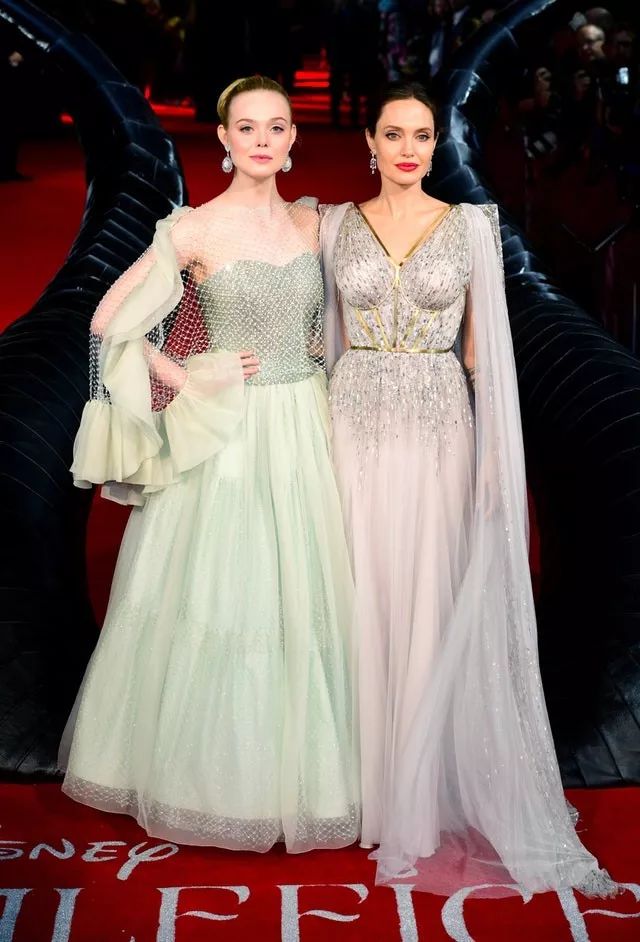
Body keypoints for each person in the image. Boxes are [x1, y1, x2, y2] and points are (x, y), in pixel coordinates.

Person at [320, 81, 616, 896]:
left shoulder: (472, 228)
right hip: (351, 421)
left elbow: (484, 358)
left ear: (434, 145)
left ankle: (412, 796)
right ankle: (352, 786)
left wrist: (493, 464)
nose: (408, 149)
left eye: (422, 135)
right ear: (369, 143)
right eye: (393, 133)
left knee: (427, 592)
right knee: (354, 590)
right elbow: (320, 337)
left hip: (439, 424)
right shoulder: (334, 225)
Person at [58, 75, 359, 852]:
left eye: (277, 127)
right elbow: (109, 321)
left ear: (292, 140)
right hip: (230, 432)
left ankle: (315, 777)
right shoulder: (194, 229)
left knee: (309, 593)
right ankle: (214, 782)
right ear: (223, 139)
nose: (263, 139)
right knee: (229, 591)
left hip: (308, 422)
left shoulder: (311, 221)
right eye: (247, 127)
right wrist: (185, 378)